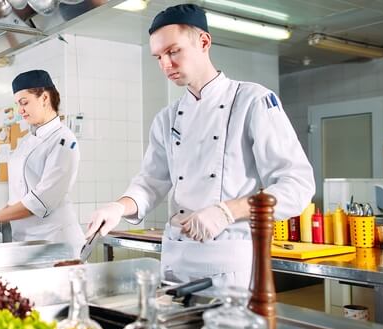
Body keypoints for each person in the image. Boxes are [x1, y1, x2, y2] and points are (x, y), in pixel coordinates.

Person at [85, 4, 315, 288]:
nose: (165, 65)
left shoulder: (253, 101)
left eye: (173, 51)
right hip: (176, 259)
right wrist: (118, 208)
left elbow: (297, 186)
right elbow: (150, 183)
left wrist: (227, 211)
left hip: (230, 265)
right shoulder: (166, 118)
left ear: (204, 42)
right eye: (158, 56)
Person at [0, 70, 84, 255]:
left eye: (24, 102)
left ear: (44, 98)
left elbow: (39, 201)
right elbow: (17, 198)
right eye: (18, 104)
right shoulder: (26, 141)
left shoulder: (64, 140)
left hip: (56, 242)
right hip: (26, 242)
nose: (20, 110)